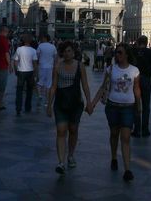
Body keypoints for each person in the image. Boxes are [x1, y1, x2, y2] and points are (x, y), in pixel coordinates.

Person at [92, 43, 141, 182]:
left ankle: (127, 169)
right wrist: (92, 104)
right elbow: (103, 87)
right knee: (114, 134)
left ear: (126, 54)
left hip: (128, 107)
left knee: (125, 137)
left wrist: (139, 106)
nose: (117, 55)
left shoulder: (134, 70)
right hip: (112, 106)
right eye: (116, 52)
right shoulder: (111, 69)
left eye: (120, 52)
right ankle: (114, 157)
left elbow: (136, 89)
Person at [46, 41, 92, 174]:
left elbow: (85, 85)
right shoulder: (58, 66)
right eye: (65, 51)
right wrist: (49, 104)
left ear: (74, 52)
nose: (67, 54)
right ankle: (61, 162)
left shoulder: (80, 66)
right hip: (60, 102)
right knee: (61, 131)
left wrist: (89, 102)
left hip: (76, 103)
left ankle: (70, 155)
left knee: (73, 129)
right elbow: (53, 86)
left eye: (69, 51)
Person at [131, 35, 151, 137]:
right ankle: (145, 130)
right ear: (147, 42)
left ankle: (136, 129)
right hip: (146, 79)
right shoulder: (150, 52)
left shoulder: (133, 51)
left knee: (136, 105)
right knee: (146, 105)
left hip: (135, 80)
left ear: (138, 42)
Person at [13, 33, 38, 116]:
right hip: (30, 72)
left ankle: (18, 108)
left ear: (23, 41)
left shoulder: (19, 49)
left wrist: (16, 70)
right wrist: (35, 74)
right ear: (30, 41)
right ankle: (27, 107)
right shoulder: (33, 50)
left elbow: (15, 61)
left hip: (21, 71)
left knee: (19, 90)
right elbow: (35, 64)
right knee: (29, 90)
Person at [37, 34, 58, 106]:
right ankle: (47, 101)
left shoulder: (40, 46)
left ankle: (39, 95)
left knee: (40, 82)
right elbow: (55, 58)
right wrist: (55, 66)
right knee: (48, 84)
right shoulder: (53, 46)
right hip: (50, 67)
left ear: (44, 38)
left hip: (41, 66)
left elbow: (37, 56)